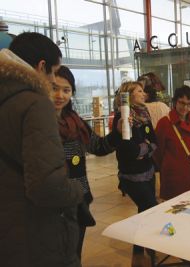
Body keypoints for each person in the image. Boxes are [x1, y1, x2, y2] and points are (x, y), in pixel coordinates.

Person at [0, 32, 83, 266]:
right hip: (34, 231)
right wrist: (76, 190)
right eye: (54, 73)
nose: (53, 82)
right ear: (41, 66)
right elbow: (47, 186)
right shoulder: (35, 103)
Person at [54, 65, 121, 259]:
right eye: (54, 88)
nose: (60, 95)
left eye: (66, 90)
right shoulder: (39, 122)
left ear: (72, 93)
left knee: (75, 255)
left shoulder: (75, 121)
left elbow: (99, 147)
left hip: (80, 199)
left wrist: (116, 133)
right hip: (54, 204)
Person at [113, 81, 158, 266]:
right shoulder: (122, 117)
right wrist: (146, 148)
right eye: (139, 91)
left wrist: (145, 148)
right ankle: (150, 250)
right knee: (151, 207)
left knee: (144, 210)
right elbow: (129, 150)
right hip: (131, 176)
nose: (143, 93)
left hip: (148, 170)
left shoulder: (144, 114)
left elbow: (154, 141)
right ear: (128, 94)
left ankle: (139, 252)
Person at [154, 85, 190, 200]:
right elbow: (158, 152)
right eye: (182, 103)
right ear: (175, 101)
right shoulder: (165, 123)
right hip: (174, 176)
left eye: (189, 104)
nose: (185, 107)